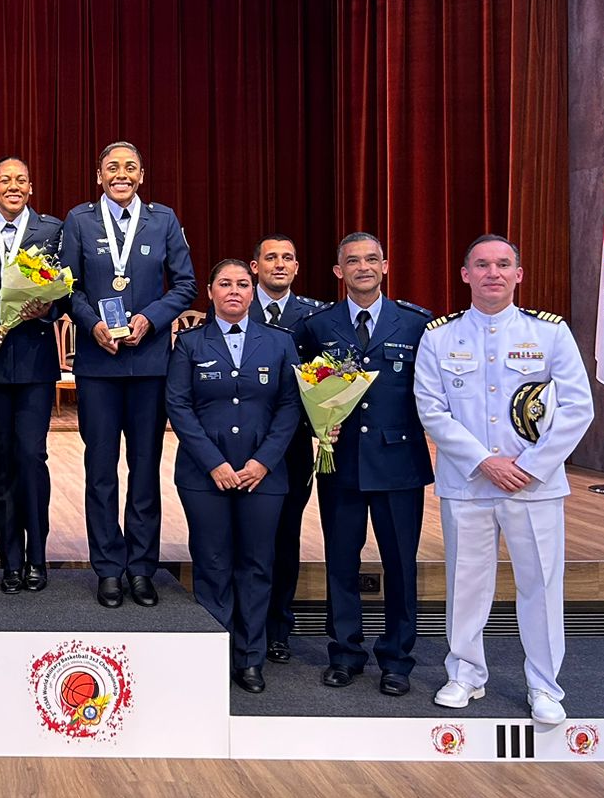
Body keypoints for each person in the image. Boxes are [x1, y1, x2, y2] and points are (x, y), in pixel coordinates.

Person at [414, 234, 593, 724]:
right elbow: (431, 409)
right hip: (468, 482)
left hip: (534, 487)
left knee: (540, 584)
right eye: (482, 264)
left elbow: (578, 407)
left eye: (503, 264)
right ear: (465, 274)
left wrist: (530, 466)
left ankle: (544, 685)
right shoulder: (440, 336)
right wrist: (484, 461)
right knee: (467, 583)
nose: (493, 272)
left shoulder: (550, 334)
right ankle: (465, 674)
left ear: (518, 274)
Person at [295, 232, 434, 695]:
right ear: (339, 272)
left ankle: (397, 658)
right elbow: (303, 389)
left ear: (386, 265)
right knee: (340, 562)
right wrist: (318, 428)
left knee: (400, 564)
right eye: (352, 261)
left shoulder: (417, 324)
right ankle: (345, 652)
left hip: (399, 463)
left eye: (371, 259)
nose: (363, 267)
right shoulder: (318, 326)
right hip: (343, 461)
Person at [59, 142, 196, 608]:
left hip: (150, 364)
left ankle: (142, 567)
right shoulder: (79, 221)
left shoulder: (164, 220)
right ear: (99, 176)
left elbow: (185, 285)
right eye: (112, 167)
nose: (122, 174)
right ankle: (108, 568)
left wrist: (152, 319)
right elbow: (66, 289)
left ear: (142, 174)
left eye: (130, 167)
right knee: (100, 471)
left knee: (143, 471)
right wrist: (91, 323)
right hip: (99, 363)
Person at [166, 259, 303, 693]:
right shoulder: (189, 344)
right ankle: (213, 656)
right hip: (204, 476)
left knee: (257, 566)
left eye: (242, 284)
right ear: (209, 291)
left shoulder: (280, 343)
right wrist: (215, 464)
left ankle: (249, 658)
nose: (234, 291)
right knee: (212, 564)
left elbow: (290, 407)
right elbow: (179, 406)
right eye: (224, 284)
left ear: (253, 290)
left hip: (264, 476)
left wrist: (262, 461)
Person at [0, 156, 65, 594]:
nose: (13, 186)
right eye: (5, 180)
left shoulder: (52, 231)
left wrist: (50, 307)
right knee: (2, 461)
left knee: (32, 457)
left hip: (37, 361)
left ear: (31, 188)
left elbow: (65, 291)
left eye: (21, 179)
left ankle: (37, 558)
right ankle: (10, 561)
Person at [248, 234, 327, 664]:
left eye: (288, 258)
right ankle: (242, 624)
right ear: (254, 265)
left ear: (297, 267)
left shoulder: (314, 317)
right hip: (239, 445)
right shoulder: (236, 304)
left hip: (291, 448)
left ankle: (278, 627)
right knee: (242, 540)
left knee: (284, 538)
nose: (279, 264)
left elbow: (328, 379)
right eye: (271, 257)